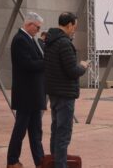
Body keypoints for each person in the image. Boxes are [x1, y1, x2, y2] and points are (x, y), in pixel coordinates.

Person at [44, 12, 87, 168]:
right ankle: (60, 165)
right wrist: (83, 66)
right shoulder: (64, 43)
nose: (74, 30)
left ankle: (54, 162)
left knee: (56, 130)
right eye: (74, 26)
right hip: (65, 94)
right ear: (69, 25)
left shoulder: (50, 41)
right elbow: (72, 71)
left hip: (54, 92)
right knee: (63, 134)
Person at [7, 13, 45, 168]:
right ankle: (12, 160)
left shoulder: (30, 39)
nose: (38, 30)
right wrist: (45, 63)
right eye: (38, 27)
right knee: (20, 130)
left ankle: (40, 162)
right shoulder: (20, 40)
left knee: (36, 132)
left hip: (33, 94)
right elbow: (27, 64)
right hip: (26, 94)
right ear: (29, 24)